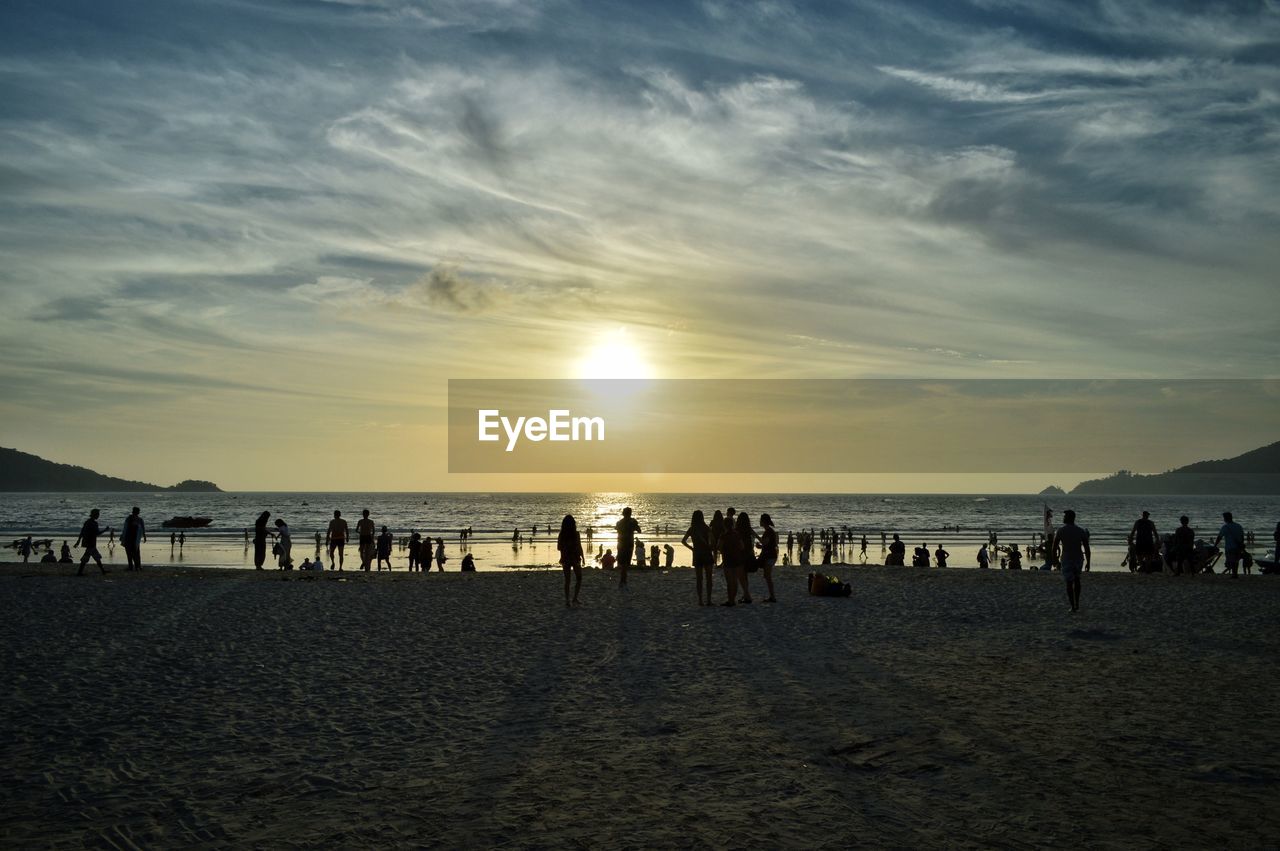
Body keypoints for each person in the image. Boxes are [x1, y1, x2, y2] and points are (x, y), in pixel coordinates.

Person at [1052, 509, 1091, 613]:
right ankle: (1076, 604)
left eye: (1064, 516)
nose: (1063, 518)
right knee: (1077, 580)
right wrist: (1088, 562)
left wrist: (1055, 560)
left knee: (1069, 582)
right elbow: (1087, 548)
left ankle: (1073, 606)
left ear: (1068, 518)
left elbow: (1054, 547)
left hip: (1067, 558)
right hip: (1078, 558)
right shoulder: (1080, 531)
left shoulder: (1061, 530)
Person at [682, 511, 715, 606]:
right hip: (707, 554)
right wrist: (711, 546)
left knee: (699, 578)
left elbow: (683, 541)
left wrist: (692, 548)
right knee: (709, 578)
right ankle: (709, 600)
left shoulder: (692, 529)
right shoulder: (706, 528)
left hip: (697, 554)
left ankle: (700, 600)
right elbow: (712, 540)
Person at [557, 514, 584, 606]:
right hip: (575, 558)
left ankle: (567, 600)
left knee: (567, 580)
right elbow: (579, 546)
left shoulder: (562, 534)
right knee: (579, 578)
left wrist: (564, 551)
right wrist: (583, 557)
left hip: (565, 558)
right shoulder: (576, 534)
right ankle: (574, 598)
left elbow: (559, 547)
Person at [718, 510, 744, 606]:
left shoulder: (723, 535)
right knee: (735, 580)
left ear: (724, 525)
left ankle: (730, 600)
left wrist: (724, 551)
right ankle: (733, 598)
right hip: (737, 558)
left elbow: (719, 547)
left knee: (729, 581)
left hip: (728, 559)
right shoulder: (737, 534)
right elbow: (742, 546)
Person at [75, 509, 110, 575]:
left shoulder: (87, 522)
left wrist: (78, 541)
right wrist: (105, 530)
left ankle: (103, 571)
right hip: (91, 543)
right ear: (95, 515)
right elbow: (97, 533)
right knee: (88, 558)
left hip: (88, 542)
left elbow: (82, 532)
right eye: (98, 514)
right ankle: (80, 572)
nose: (98, 516)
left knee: (96, 557)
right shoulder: (94, 523)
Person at [1214, 512, 1246, 577]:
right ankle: (1235, 573)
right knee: (1236, 561)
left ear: (1225, 518)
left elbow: (1219, 537)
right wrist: (1241, 545)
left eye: (1224, 518)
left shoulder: (1225, 527)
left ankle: (1234, 574)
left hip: (1230, 547)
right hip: (1238, 547)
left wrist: (1215, 545)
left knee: (1231, 561)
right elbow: (1242, 537)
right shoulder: (1238, 526)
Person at [615, 507, 640, 589]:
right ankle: (623, 581)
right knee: (625, 564)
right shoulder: (632, 521)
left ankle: (623, 580)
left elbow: (617, 529)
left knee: (622, 563)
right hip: (629, 544)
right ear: (630, 513)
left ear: (623, 513)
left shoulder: (619, 522)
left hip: (620, 543)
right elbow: (639, 530)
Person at [758, 513, 779, 603]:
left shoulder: (768, 532)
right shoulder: (769, 531)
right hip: (771, 555)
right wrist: (761, 546)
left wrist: (756, 538)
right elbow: (767, 544)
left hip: (770, 556)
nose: (759, 521)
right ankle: (772, 596)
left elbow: (765, 543)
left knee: (767, 576)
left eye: (761, 520)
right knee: (767, 576)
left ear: (764, 521)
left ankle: (772, 596)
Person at [121, 507, 146, 571]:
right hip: (134, 539)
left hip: (129, 538)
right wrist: (144, 537)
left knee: (130, 553)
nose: (138, 512)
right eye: (138, 511)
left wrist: (122, 536)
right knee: (136, 553)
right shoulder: (139, 519)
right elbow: (143, 529)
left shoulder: (129, 518)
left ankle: (132, 566)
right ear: (137, 512)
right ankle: (137, 566)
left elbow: (125, 528)